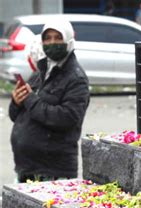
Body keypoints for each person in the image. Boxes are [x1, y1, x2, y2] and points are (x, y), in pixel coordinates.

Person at [9, 20, 89, 183]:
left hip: (53, 171)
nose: (52, 42)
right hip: (27, 168)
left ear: (68, 41)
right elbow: (15, 115)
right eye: (48, 38)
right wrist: (16, 102)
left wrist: (31, 99)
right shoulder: (42, 70)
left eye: (58, 38)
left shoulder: (76, 78)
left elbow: (67, 118)